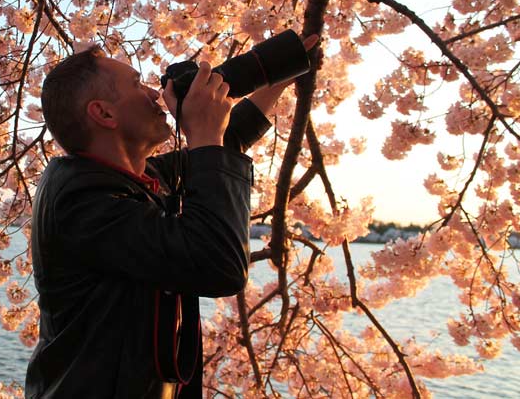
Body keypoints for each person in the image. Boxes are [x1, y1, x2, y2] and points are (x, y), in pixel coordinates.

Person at [26, 34, 316, 398]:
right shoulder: (81, 203)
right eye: (136, 83)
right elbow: (218, 265)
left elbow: (228, 141)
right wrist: (205, 132)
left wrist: (280, 69)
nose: (154, 93)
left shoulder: (128, 180)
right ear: (104, 113)